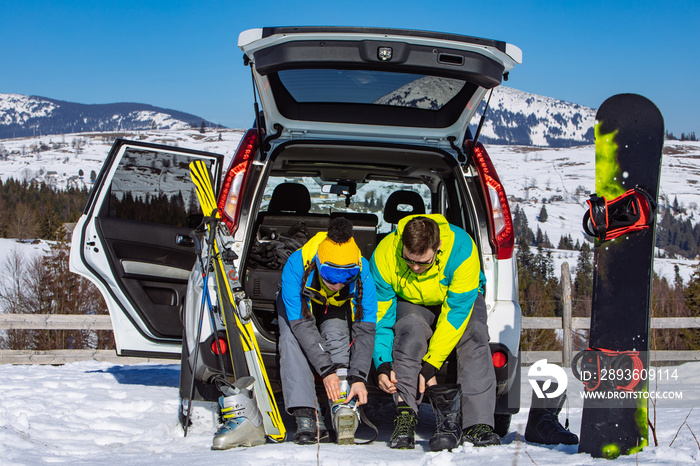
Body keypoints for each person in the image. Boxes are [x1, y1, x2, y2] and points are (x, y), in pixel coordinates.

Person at [370, 213, 500, 450]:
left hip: (456, 301)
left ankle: (477, 424)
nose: (416, 267)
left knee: (475, 335)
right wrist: (382, 363)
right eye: (409, 261)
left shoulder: (462, 250)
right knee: (409, 333)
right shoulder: (385, 254)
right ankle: (405, 415)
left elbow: (455, 315)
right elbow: (381, 317)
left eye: (423, 262)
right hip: (411, 300)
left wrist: (432, 364)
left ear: (437, 247)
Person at [277, 217, 377, 445]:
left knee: (337, 332)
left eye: (346, 278)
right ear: (319, 265)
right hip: (299, 306)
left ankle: (341, 404)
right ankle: (306, 413)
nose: (338, 283)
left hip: (334, 306)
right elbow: (301, 325)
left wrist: (359, 377)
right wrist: (326, 370)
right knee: (291, 341)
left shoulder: (364, 272)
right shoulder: (297, 263)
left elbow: (365, 329)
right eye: (332, 276)